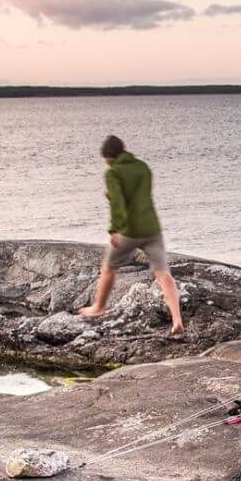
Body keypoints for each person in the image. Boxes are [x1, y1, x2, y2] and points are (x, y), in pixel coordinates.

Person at [79, 135, 185, 338]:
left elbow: (119, 203)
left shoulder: (113, 173)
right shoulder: (143, 167)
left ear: (109, 157)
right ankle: (177, 319)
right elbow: (140, 196)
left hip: (129, 230)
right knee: (163, 274)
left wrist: (115, 229)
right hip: (152, 228)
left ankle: (98, 307)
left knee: (109, 267)